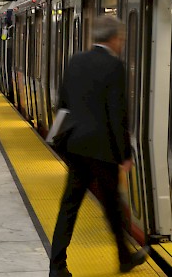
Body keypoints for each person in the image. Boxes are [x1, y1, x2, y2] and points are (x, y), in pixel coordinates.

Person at [49, 16, 148, 277]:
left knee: (68, 208)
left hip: (76, 146)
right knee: (112, 206)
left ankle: (56, 266)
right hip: (102, 149)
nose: (122, 44)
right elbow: (118, 114)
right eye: (121, 39)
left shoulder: (75, 61)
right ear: (114, 38)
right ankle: (124, 258)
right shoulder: (115, 66)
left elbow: (63, 104)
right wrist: (125, 154)